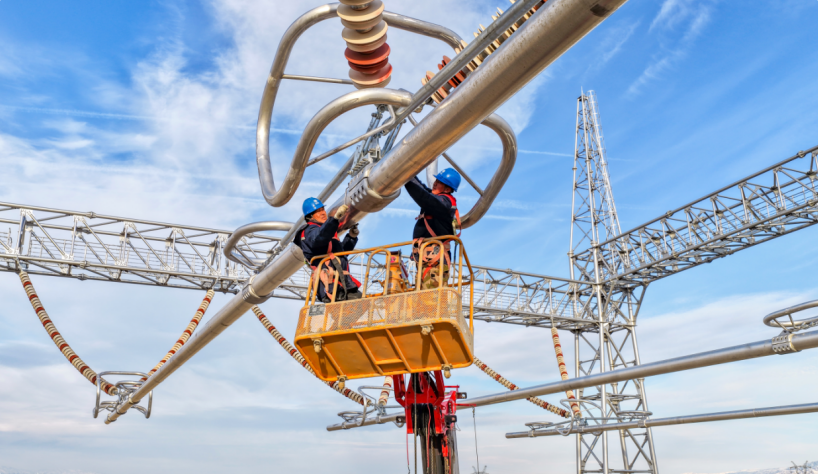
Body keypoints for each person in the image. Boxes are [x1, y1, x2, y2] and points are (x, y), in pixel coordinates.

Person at [294, 197, 362, 303]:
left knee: (359, 308)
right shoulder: (309, 231)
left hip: (341, 282)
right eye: (317, 211)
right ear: (310, 216)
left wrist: (351, 237)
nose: (322, 213)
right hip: (330, 284)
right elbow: (318, 238)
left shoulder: (326, 232)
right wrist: (334, 220)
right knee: (354, 308)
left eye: (322, 209)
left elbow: (340, 254)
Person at [404, 168, 462, 288]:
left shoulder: (444, 203)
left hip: (435, 263)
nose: (435, 183)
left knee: (430, 302)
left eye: (439, 182)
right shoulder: (439, 200)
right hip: (428, 261)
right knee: (423, 300)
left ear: (447, 189)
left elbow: (424, 197)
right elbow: (422, 189)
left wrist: (405, 180)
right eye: (436, 180)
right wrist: (406, 174)